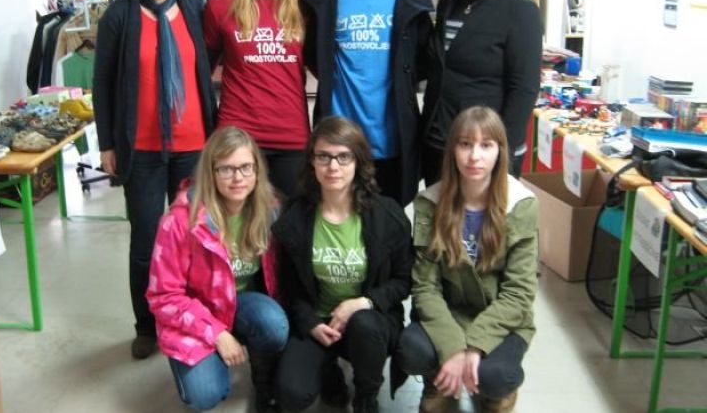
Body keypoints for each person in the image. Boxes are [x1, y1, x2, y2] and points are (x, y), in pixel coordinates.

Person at [93, 0, 217, 360]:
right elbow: (103, 83)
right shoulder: (119, 16)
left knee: (196, 239)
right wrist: (107, 143)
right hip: (142, 150)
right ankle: (147, 325)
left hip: (193, 147)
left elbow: (216, 62)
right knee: (146, 242)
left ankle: (195, 317)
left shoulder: (197, 10)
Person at [394, 106, 539, 413]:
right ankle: (438, 382)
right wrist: (452, 347)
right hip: (448, 312)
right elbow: (425, 288)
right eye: (465, 144)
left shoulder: (520, 204)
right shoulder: (430, 203)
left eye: (486, 145)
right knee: (411, 350)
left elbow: (519, 293)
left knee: (497, 376)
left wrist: (475, 346)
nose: (475, 156)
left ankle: (495, 396)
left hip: (500, 318)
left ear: (500, 151)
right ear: (452, 151)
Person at [272, 116, 414, 413]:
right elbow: (289, 287)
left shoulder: (388, 215)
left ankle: (366, 396)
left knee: (364, 325)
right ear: (312, 161)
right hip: (319, 319)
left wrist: (364, 302)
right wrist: (310, 323)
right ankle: (328, 372)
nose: (333, 166)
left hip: (371, 321)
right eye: (323, 156)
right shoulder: (294, 218)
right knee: (292, 394)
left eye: (343, 157)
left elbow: (404, 280)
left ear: (358, 161)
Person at [146, 127, 288, 413]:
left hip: (242, 304)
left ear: (257, 170)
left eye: (246, 167)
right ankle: (206, 359)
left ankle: (263, 380)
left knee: (274, 324)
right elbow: (163, 297)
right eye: (226, 169)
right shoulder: (179, 222)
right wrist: (217, 334)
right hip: (196, 312)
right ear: (210, 172)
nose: (238, 178)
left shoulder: (270, 209)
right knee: (205, 395)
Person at [299, 0, 433, 207]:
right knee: (338, 224)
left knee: (389, 226)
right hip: (338, 144)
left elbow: (422, 60)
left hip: (393, 142)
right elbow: (313, 56)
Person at [420, 0, 542, 184]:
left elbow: (524, 89)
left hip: (482, 150)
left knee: (480, 213)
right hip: (439, 140)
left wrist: (501, 150)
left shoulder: (520, 11)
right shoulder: (448, 2)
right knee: (438, 209)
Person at [203, 0, 308, 198]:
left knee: (289, 222)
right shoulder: (220, 6)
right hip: (237, 137)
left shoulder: (304, 8)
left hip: (291, 136)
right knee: (237, 222)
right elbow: (201, 73)